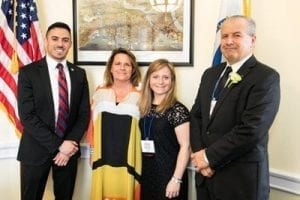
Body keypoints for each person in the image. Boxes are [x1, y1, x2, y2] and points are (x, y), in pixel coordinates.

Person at [190, 15, 280, 200]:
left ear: (252, 40)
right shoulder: (210, 74)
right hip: (205, 178)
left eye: (237, 35)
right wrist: (200, 157)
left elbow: (251, 130)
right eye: (224, 36)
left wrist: (208, 158)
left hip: (240, 182)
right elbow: (196, 116)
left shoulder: (266, 77)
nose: (229, 41)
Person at [17, 22, 90, 200]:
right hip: (35, 150)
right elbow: (27, 116)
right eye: (55, 39)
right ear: (46, 40)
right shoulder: (28, 73)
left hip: (69, 152)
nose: (60, 44)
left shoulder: (79, 74)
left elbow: (83, 114)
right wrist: (59, 146)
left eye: (65, 40)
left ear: (70, 44)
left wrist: (69, 144)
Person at [87, 48, 142, 200]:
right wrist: (91, 153)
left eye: (127, 64)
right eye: (118, 63)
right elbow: (92, 126)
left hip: (130, 160)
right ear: (110, 68)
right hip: (102, 158)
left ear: (133, 69)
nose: (122, 68)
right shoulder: (100, 92)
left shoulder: (142, 97)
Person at [139, 59, 190, 200]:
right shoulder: (143, 108)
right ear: (148, 79)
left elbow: (185, 146)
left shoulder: (178, 110)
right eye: (155, 76)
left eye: (166, 77)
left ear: (172, 81)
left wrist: (176, 180)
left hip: (170, 175)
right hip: (148, 174)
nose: (160, 82)